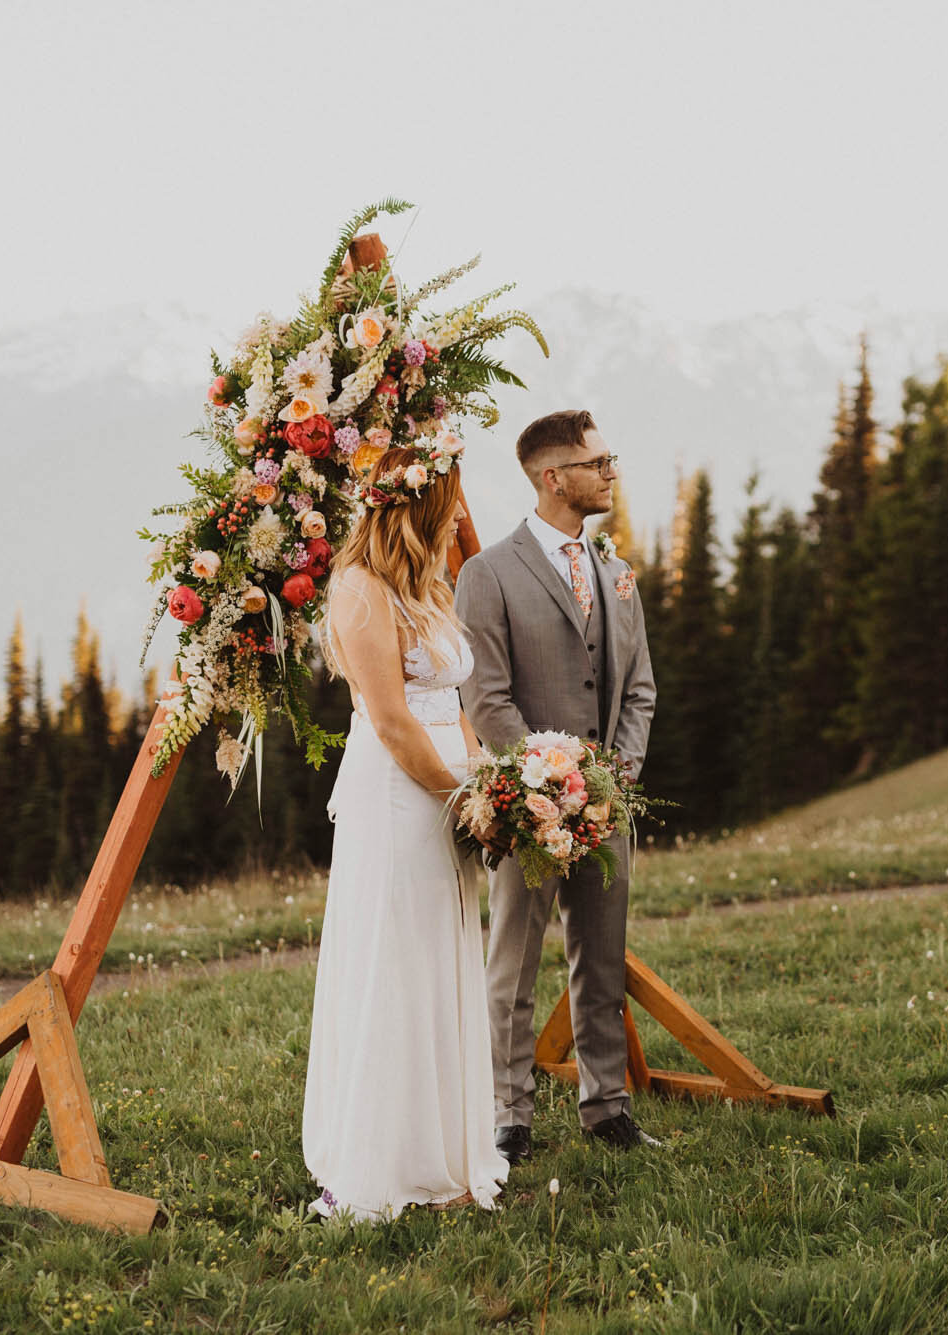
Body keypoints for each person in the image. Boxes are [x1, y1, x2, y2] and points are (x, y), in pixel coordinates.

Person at [304, 439, 507, 1220]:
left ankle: (446, 1152)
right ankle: (386, 1160)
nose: (461, 511)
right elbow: (391, 721)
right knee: (396, 959)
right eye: (451, 497)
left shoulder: (428, 583)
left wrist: (491, 780)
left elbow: (450, 704)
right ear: (418, 502)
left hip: (450, 788)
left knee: (440, 958)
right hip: (399, 798)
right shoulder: (359, 591)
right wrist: (465, 796)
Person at [456, 409, 658, 1162]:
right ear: (553, 477)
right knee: (512, 963)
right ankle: (508, 1117)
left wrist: (616, 781)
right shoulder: (488, 574)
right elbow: (487, 698)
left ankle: (608, 1107)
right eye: (597, 462)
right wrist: (554, 784)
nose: (610, 472)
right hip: (526, 806)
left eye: (609, 458)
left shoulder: (614, 569)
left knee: (601, 958)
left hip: (609, 806)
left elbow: (639, 689)